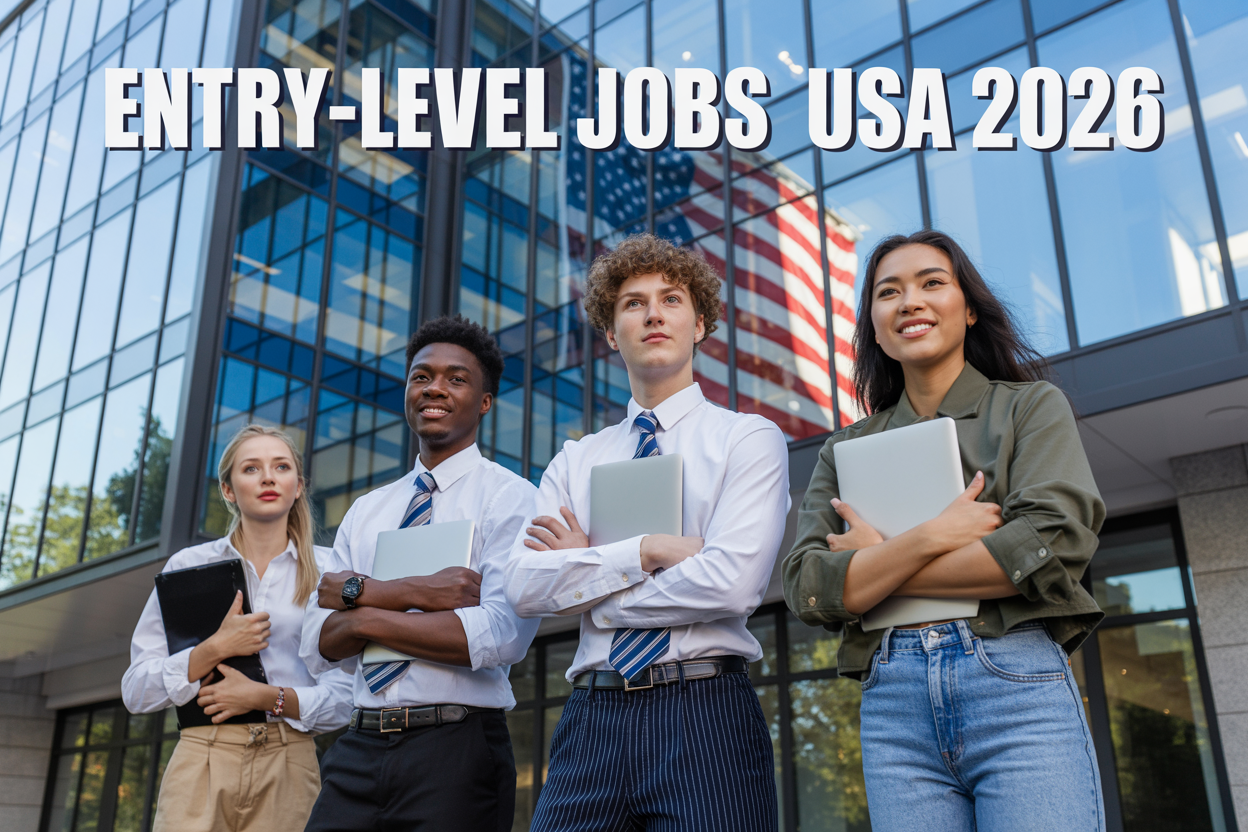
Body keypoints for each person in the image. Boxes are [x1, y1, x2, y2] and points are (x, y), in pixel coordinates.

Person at [783, 230, 1107, 831]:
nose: (910, 301)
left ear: (970, 308)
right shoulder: (845, 448)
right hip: (894, 704)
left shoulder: (1030, 408)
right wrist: (933, 536)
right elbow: (810, 587)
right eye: (889, 292)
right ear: (875, 329)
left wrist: (876, 564)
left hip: (1015, 688)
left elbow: (1048, 548)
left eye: (932, 283)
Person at [504, 233, 789, 832]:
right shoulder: (575, 460)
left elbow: (732, 586)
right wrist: (648, 550)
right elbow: (525, 587)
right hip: (592, 716)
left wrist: (593, 585)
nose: (653, 312)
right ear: (611, 333)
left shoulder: (748, 439)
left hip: (706, 714)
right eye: (633, 302)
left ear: (701, 323)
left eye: (672, 299)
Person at [300, 315, 539, 832]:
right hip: (357, 749)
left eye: (457, 378)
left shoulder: (511, 498)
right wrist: (415, 593)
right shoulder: (367, 510)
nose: (434, 387)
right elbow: (318, 641)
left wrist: (361, 610)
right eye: (421, 375)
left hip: (455, 750)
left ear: (484, 402)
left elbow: (497, 637)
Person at [122, 424, 353, 832]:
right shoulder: (187, 567)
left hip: (290, 761)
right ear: (228, 490)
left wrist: (266, 696)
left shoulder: (332, 572)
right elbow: (136, 690)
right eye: (251, 468)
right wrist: (213, 648)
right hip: (203, 755)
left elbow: (352, 694)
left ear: (298, 486)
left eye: (280, 466)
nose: (267, 477)